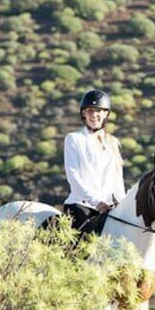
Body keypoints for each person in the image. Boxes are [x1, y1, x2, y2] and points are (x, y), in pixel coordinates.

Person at [63, 89, 126, 235]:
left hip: (108, 208)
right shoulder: (74, 139)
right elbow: (73, 177)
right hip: (81, 206)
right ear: (83, 113)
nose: (94, 115)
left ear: (106, 114)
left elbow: (117, 180)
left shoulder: (113, 142)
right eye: (90, 110)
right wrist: (97, 202)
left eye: (99, 111)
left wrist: (122, 206)